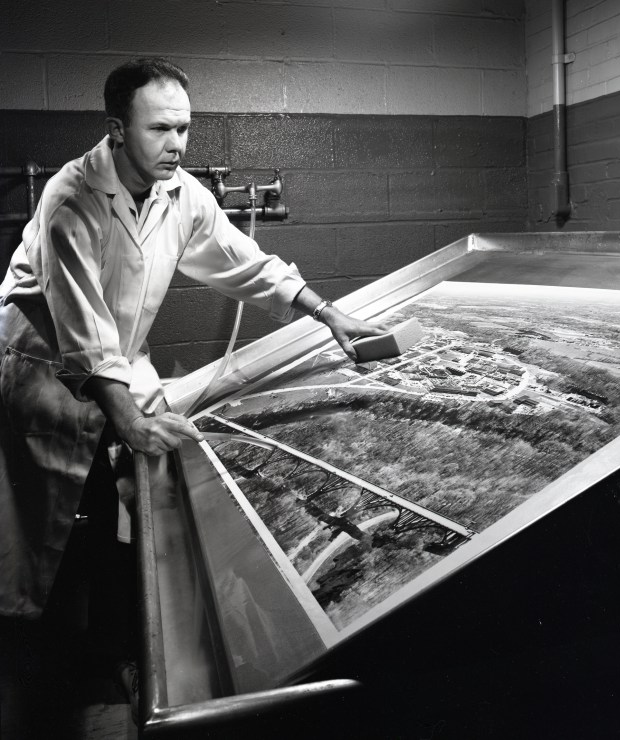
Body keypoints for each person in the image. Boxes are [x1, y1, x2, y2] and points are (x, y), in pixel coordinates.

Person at [0, 57, 384, 718]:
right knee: (44, 536)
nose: (177, 144)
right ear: (118, 130)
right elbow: (81, 331)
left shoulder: (183, 194)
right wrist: (132, 421)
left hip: (110, 365)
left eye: (184, 128)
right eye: (160, 129)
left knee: (116, 504)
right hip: (39, 375)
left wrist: (330, 313)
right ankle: (39, 682)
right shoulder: (71, 198)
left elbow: (249, 265)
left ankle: (112, 651)